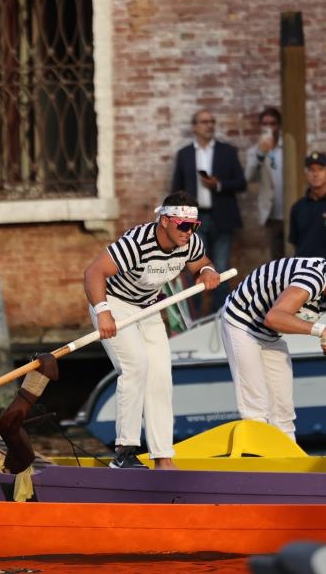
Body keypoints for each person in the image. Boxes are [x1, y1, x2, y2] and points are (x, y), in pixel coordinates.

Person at [83, 191, 221, 470]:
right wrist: (103, 313)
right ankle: (124, 451)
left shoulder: (190, 242)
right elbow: (93, 273)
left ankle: (162, 457)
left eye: (194, 226)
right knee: (136, 366)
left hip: (147, 308)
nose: (189, 232)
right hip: (113, 304)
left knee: (160, 376)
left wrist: (206, 271)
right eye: (183, 226)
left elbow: (201, 263)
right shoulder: (137, 243)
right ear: (166, 221)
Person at [219, 258, 326, 440]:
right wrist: (319, 329)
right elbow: (274, 317)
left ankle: (289, 462)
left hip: (270, 335)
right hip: (242, 324)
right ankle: (255, 459)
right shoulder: (310, 280)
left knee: (283, 411)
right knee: (256, 409)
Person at [171, 108, 246, 314]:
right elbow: (177, 188)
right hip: (193, 219)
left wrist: (219, 185)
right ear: (194, 126)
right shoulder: (184, 154)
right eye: (204, 122)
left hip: (222, 216)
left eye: (212, 121)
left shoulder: (227, 151)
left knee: (220, 267)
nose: (209, 125)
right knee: (193, 267)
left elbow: (241, 183)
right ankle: (194, 318)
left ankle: (221, 315)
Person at [245, 107, 284, 261]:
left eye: (272, 123)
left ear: (279, 125)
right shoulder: (254, 151)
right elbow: (249, 177)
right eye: (265, 124)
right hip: (271, 213)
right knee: (277, 259)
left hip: (291, 211)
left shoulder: (287, 147)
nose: (269, 127)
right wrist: (261, 153)